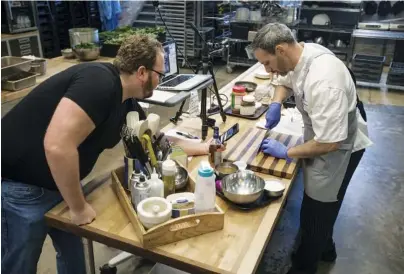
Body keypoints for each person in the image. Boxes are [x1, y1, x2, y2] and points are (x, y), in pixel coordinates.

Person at [1, 34, 210, 274]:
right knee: (19, 265)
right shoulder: (99, 82)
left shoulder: (126, 104)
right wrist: (78, 207)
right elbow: (57, 146)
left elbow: (157, 142)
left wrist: (203, 147)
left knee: (73, 257)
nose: (160, 81)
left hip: (62, 184)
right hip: (24, 188)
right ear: (142, 72)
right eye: (159, 75)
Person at [251, 23, 372, 274]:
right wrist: (276, 102)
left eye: (267, 63)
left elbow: (330, 142)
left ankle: (304, 267)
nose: (267, 71)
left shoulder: (324, 80)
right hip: (325, 134)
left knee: (316, 211)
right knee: (319, 207)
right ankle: (327, 249)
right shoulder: (300, 54)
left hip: (341, 146)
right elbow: (285, 80)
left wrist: (288, 152)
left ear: (281, 49)